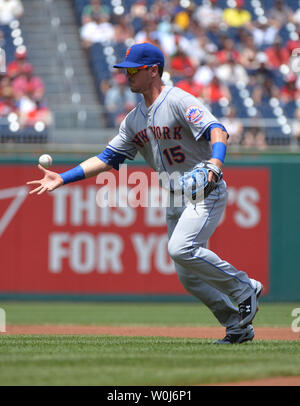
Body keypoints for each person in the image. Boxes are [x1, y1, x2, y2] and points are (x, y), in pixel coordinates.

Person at [26, 43, 263, 344]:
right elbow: (106, 158)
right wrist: (63, 177)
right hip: (175, 198)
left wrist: (215, 164)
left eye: (134, 70)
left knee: (180, 249)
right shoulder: (134, 120)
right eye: (126, 71)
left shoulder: (177, 100)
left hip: (205, 189)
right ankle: (237, 327)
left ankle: (244, 288)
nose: (127, 76)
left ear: (153, 70)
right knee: (188, 275)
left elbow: (217, 130)